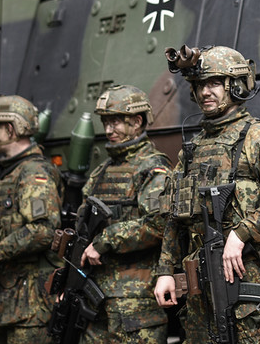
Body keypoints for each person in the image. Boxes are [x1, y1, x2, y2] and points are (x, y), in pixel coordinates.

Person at [153, 45, 260, 344]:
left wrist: (241, 233)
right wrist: (165, 271)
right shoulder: (192, 149)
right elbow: (174, 217)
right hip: (199, 284)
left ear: (235, 85)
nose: (204, 92)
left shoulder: (258, 137)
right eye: (199, 85)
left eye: (214, 83)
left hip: (244, 275)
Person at [0, 95, 62, 343]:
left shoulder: (33, 172)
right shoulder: (4, 171)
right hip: (5, 303)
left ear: (10, 129)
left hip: (29, 307)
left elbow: (43, 229)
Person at [77, 84, 171, 343]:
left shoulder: (153, 167)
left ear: (137, 121)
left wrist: (106, 240)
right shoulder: (101, 171)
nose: (109, 130)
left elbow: (159, 224)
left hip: (135, 301)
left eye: (116, 122)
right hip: (95, 298)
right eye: (106, 122)